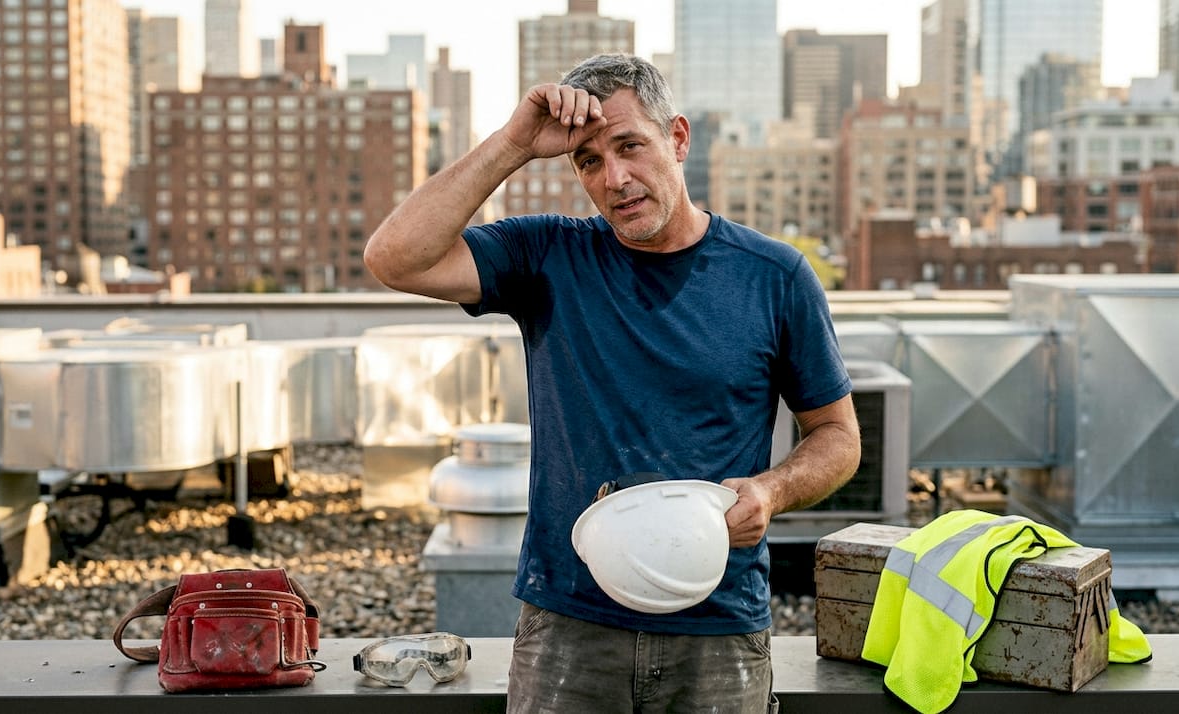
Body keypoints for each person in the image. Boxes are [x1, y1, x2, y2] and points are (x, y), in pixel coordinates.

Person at [364, 53, 861, 713]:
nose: (615, 178)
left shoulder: (773, 276)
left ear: (678, 139)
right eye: (589, 162)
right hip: (570, 626)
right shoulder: (547, 257)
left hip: (718, 627)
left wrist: (771, 491)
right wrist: (515, 142)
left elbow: (838, 435)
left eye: (630, 147)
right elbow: (394, 258)